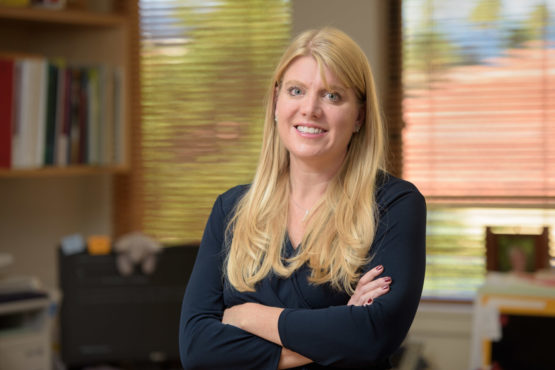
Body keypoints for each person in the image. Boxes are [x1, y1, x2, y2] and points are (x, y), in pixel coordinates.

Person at [179, 27, 426, 369]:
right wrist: (339, 326)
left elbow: (374, 335)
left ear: (359, 116)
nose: (310, 109)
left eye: (332, 96)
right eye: (297, 91)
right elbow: (196, 348)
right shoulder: (231, 210)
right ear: (276, 103)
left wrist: (247, 316)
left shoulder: (394, 205)